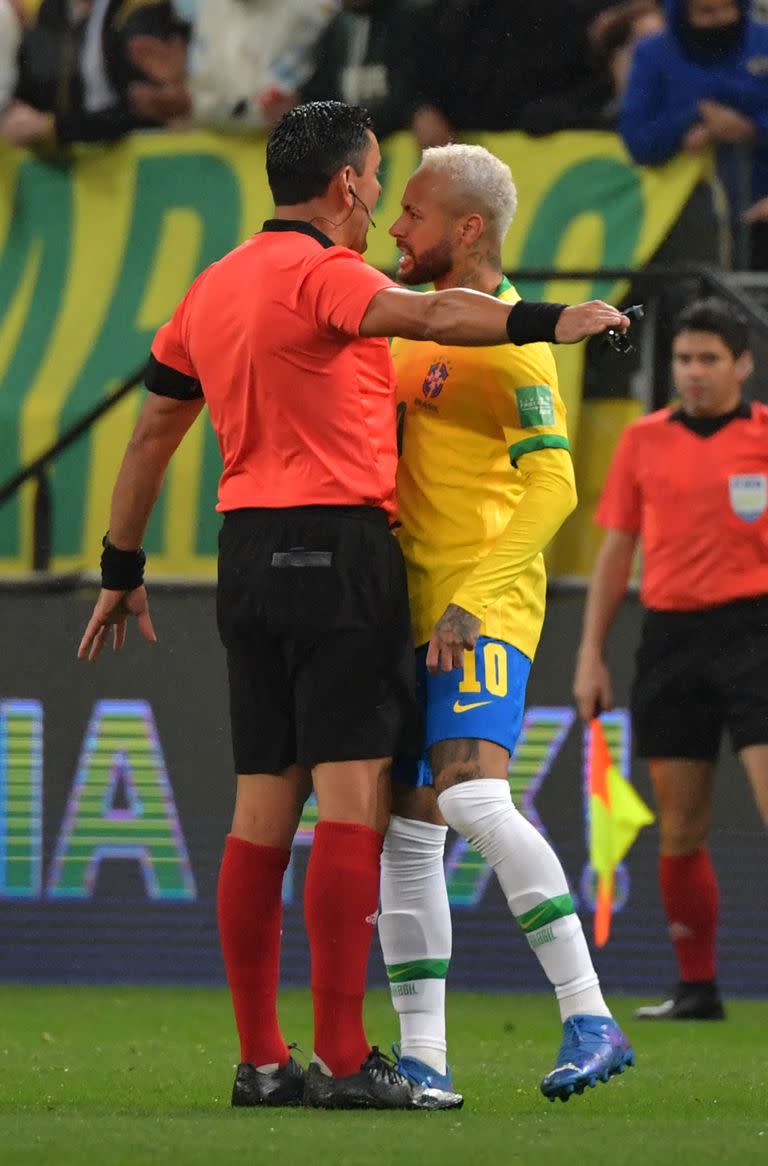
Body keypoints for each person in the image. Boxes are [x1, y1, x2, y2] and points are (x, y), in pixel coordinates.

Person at [76, 100, 629, 1111]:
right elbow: (428, 315)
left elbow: (155, 428)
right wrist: (550, 318)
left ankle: (261, 1056)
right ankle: (342, 1052)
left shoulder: (210, 285)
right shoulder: (333, 275)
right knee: (355, 807)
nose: (382, 202)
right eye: (378, 182)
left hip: (242, 554)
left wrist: (121, 563)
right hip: (341, 555)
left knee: (256, 815)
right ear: (344, 185)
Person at [376, 143, 635, 1104]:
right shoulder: (415, 328)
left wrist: (476, 594)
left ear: (467, 228)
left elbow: (556, 485)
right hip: (405, 603)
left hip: (475, 607)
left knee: (474, 801)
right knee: (409, 834)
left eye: (413, 212)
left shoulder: (517, 345)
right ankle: (425, 1063)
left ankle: (588, 1012)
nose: (396, 229)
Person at [573, 297, 768, 1020]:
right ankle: (697, 986)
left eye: (709, 359)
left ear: (743, 365)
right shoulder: (643, 441)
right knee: (680, 823)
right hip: (672, 639)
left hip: (756, 633)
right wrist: (590, 654)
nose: (693, 372)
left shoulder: (764, 437)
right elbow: (616, 551)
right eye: (684, 358)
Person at [619, 0, 768, 267]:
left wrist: (752, 126)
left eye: (727, 8)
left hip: (759, 216)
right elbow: (637, 138)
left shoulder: (763, 43)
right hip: (685, 222)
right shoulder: (653, 54)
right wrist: (692, 118)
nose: (720, 19)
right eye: (706, 12)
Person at [1, 0, 181, 149]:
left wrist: (57, 129)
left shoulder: (141, 9)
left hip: (141, 171)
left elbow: (141, 109)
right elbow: (31, 90)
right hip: (66, 177)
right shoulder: (50, 10)